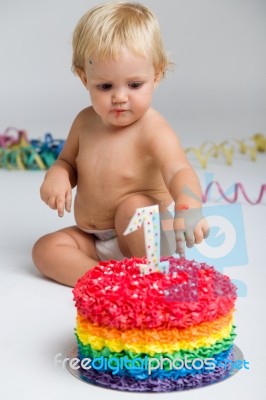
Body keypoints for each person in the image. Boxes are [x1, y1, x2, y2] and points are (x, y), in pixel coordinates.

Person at [32, 2, 209, 287]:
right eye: (105, 87)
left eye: (135, 85)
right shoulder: (84, 122)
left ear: (157, 75)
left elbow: (178, 170)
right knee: (45, 249)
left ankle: (150, 274)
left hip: (145, 236)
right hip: (95, 238)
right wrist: (58, 175)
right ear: (84, 78)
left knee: (134, 206)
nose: (120, 97)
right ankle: (110, 281)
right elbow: (67, 162)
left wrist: (189, 207)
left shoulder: (153, 128)